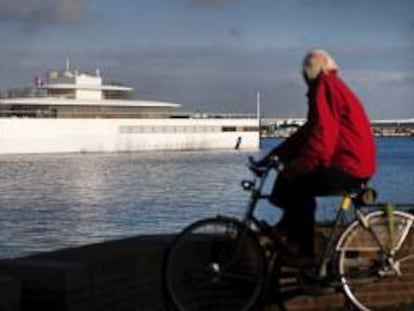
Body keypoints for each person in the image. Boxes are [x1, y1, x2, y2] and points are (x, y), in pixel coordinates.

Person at [257, 49, 376, 265]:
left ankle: (304, 251)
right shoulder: (331, 85)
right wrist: (273, 156)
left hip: (349, 165)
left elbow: (323, 133)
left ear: (310, 72)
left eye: (304, 74)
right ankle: (288, 231)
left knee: (297, 182)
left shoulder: (325, 86)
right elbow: (307, 133)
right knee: (290, 179)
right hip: (354, 163)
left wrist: (305, 163)